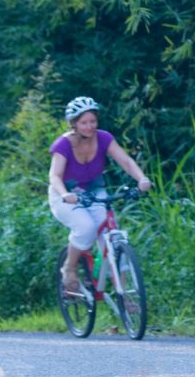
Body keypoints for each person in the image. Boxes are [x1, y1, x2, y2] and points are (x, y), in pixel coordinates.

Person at [49, 96, 152, 292]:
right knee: (86, 228)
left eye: (93, 121)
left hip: (94, 191)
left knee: (113, 238)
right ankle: (70, 268)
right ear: (74, 124)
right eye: (84, 122)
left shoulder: (104, 138)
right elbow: (54, 176)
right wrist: (64, 194)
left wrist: (142, 179)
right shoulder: (63, 145)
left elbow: (126, 161)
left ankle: (127, 296)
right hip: (65, 195)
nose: (89, 126)